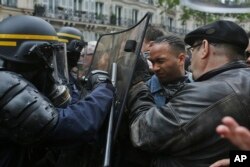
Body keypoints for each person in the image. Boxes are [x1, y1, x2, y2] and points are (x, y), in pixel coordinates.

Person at [127, 20, 250, 167]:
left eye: (192, 50)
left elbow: (143, 133)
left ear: (204, 48)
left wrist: (137, 85)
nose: (190, 62)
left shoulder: (208, 91)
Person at [0, 15, 114, 167]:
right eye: (48, 56)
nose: (51, 65)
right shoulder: (4, 83)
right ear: (29, 53)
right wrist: (103, 88)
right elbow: (69, 127)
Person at [147, 35, 193, 107]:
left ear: (181, 59)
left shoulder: (199, 86)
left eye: (160, 61)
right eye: (152, 62)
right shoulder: (145, 91)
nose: (155, 68)